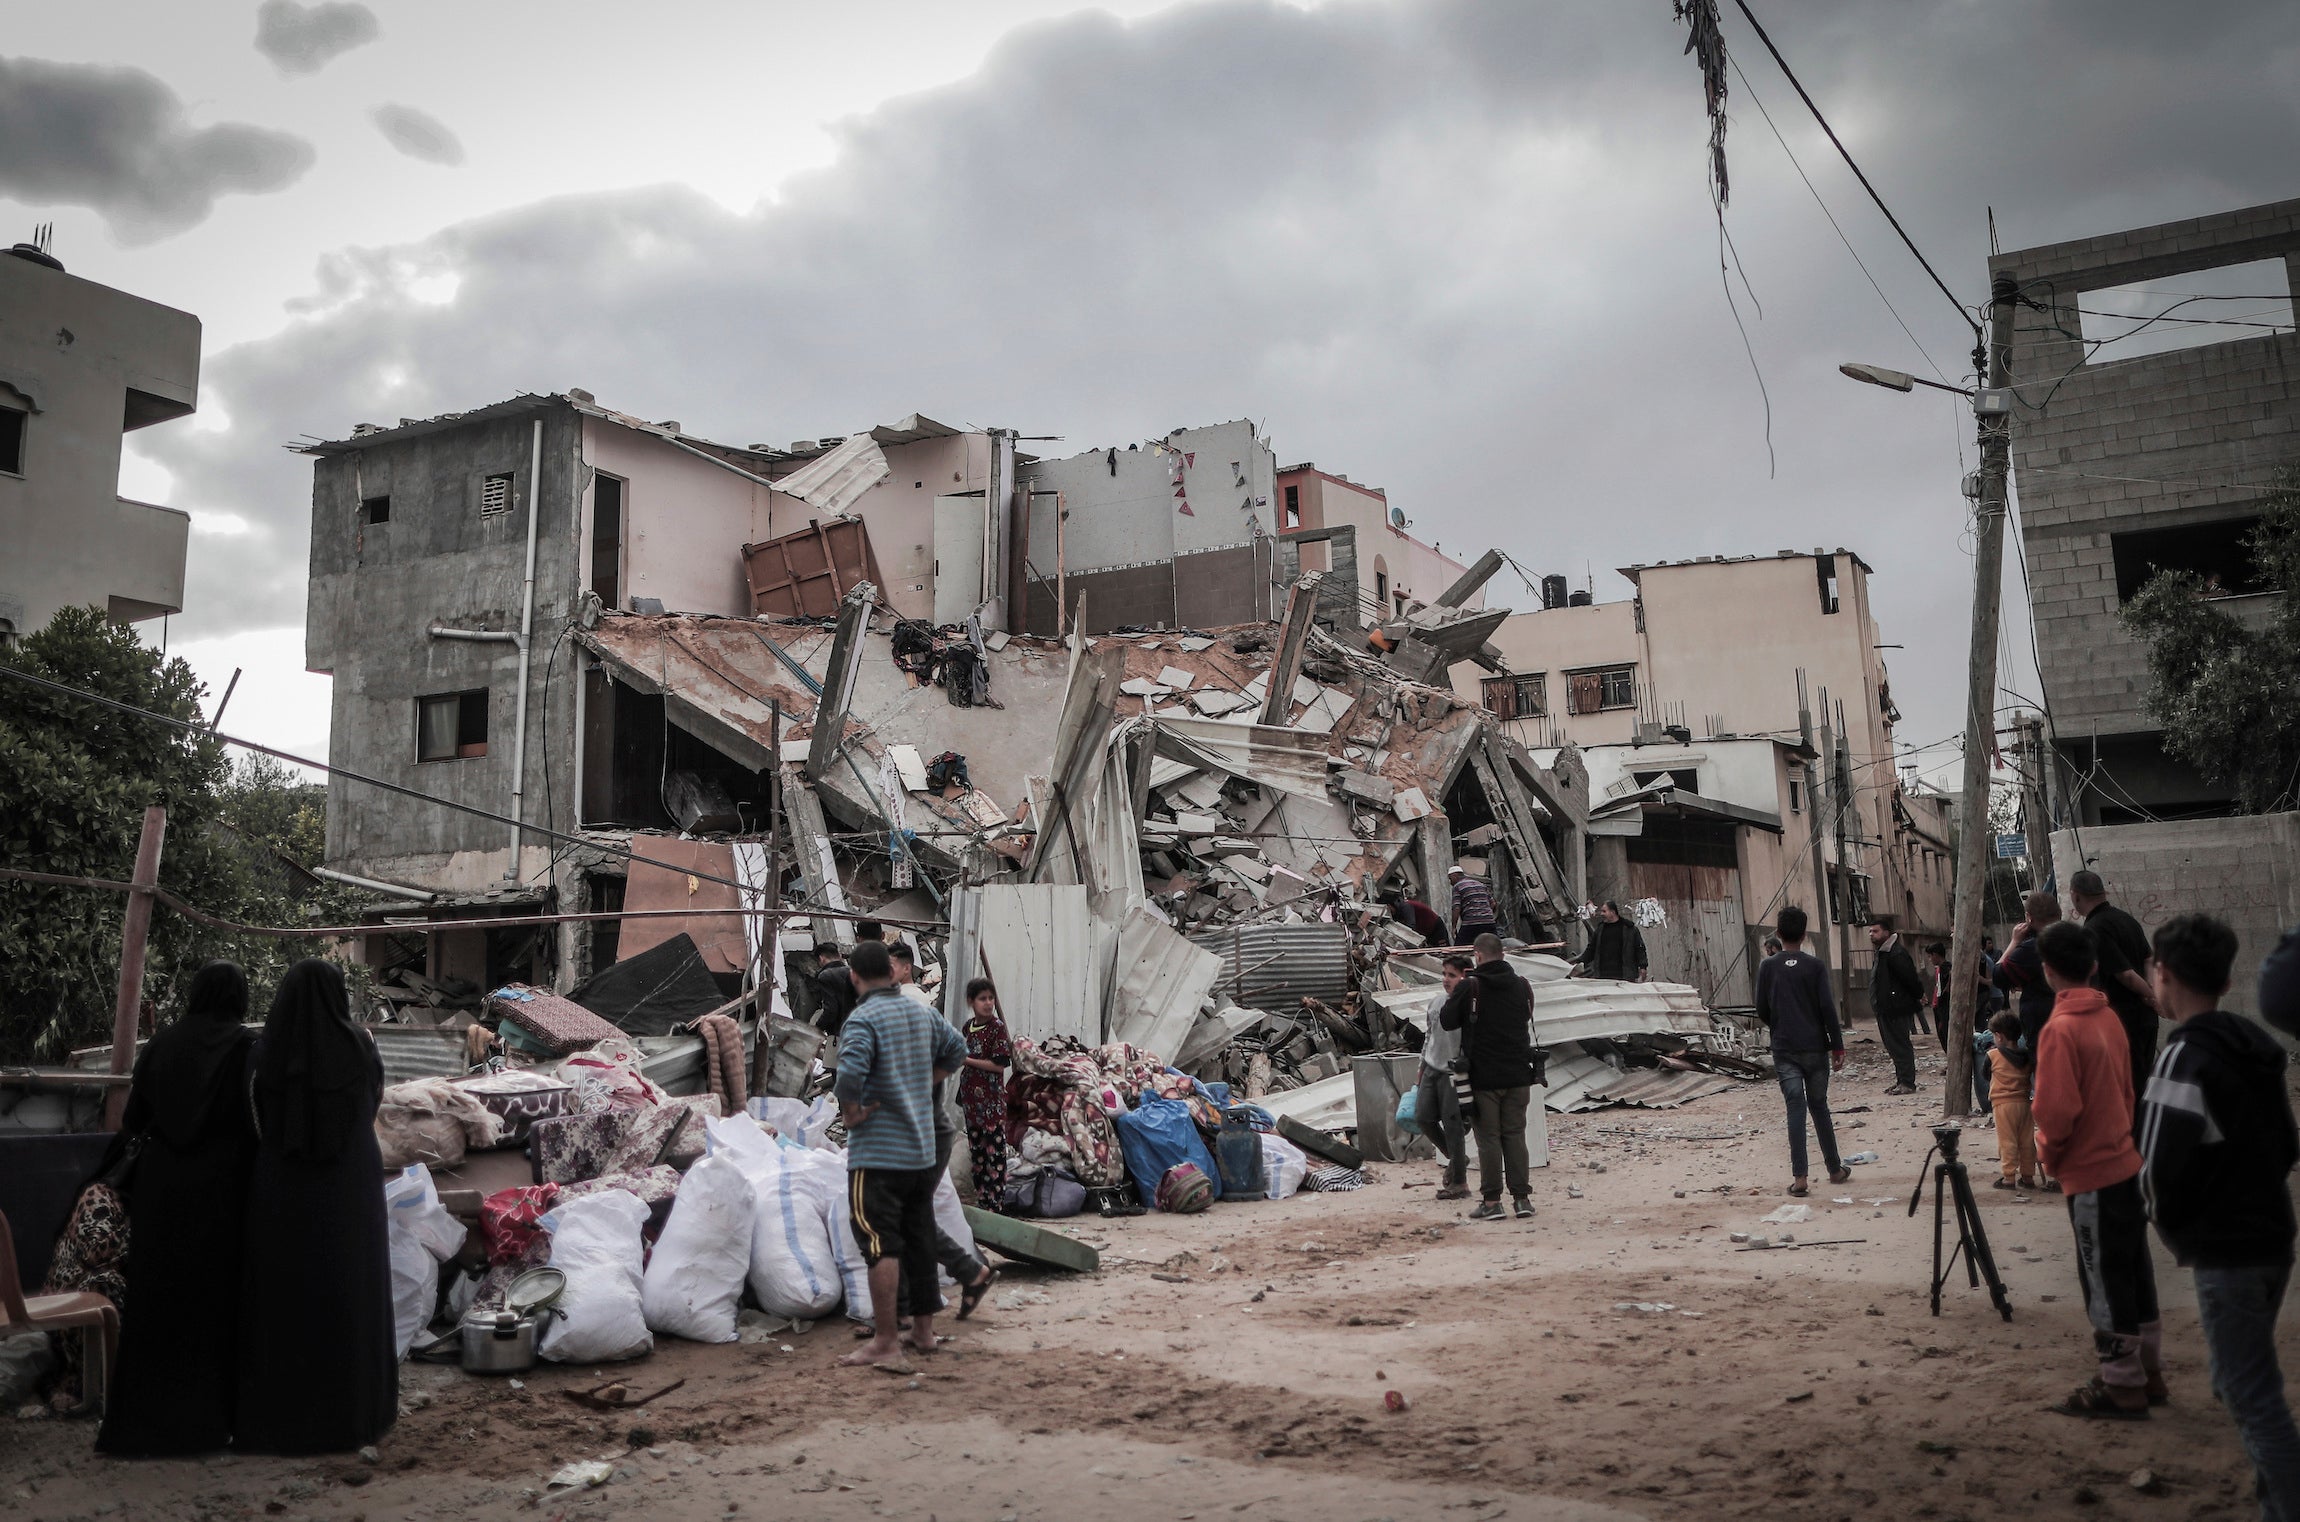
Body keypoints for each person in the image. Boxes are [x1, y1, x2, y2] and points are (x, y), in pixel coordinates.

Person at [2139, 915, 2300, 1512]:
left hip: (2225, 1251)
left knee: (2251, 1395)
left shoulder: (2180, 1059)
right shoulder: (2255, 1046)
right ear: (2228, 980)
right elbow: (2285, 1145)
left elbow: (2154, 1167)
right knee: (2244, 1379)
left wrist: (2179, 1230)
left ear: (2164, 974)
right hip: (2272, 1236)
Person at [97, 962, 260, 1456]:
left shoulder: (162, 1044)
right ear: (238, 997)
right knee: (216, 1304)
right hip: (222, 1190)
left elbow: (134, 1119)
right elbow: (253, 1123)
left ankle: (144, 1425)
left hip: (162, 1189)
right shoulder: (246, 1048)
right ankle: (211, 1423)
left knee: (157, 1301)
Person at [236, 959, 396, 1454]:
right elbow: (371, 1103)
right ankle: (356, 1414)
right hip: (350, 1184)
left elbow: (254, 1116)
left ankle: (281, 1419)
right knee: (352, 1288)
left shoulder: (261, 1052)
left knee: (286, 1295)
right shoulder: (362, 1044)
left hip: (282, 1188)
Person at [2032, 922, 2161, 1420]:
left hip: (2091, 1174)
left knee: (2103, 1280)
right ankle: (2149, 1372)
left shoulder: (2061, 1030)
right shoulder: (2109, 1020)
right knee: (2134, 1270)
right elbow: (2128, 1092)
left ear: (2048, 972)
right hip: (2127, 1161)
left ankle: (2122, 1386)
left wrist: (2049, 1153)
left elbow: (2055, 1112)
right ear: (2093, 967)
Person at [836, 940, 966, 1373]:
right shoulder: (922, 1012)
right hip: (920, 1152)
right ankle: (924, 1333)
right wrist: (923, 1080)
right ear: (893, 974)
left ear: (855, 977)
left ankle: (887, 1341)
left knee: (879, 1244)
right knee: (918, 1236)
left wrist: (853, 1114)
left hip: (877, 1155)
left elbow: (849, 1074)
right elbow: (958, 1049)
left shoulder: (863, 1019)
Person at [1437, 934, 1538, 1221]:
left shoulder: (1471, 986)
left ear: (1477, 955)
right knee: (1516, 1136)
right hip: (1519, 1075)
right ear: (1503, 954)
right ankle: (1522, 1200)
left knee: (1489, 1139)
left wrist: (1457, 992)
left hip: (1483, 1079)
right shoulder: (1522, 985)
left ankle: (1492, 1202)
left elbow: (1447, 1021)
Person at [1756, 907, 1849, 1197]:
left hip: (1785, 1047)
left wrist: (1780, 1025)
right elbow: (1827, 1009)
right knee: (1819, 1105)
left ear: (1779, 934)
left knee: (1795, 1107)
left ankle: (1800, 1179)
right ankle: (1834, 1169)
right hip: (1815, 1048)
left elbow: (1762, 1009)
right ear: (1805, 934)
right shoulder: (1816, 966)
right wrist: (1837, 1045)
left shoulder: (1767, 967)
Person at [2069, 869, 2161, 1119]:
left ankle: (2134, 1149)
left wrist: (2151, 996)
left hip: (2122, 1022)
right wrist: (2151, 992)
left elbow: (2125, 974)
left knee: (2127, 1092)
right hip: (2145, 1019)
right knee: (2142, 1085)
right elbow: (2149, 957)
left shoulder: (2094, 929)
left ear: (2075, 897)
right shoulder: (2126, 919)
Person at [1414, 953, 1475, 1202]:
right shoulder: (1437, 1003)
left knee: (1453, 1126)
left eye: (1452, 975)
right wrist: (1421, 1067)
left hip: (1454, 1072)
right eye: (1444, 974)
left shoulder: (1470, 1006)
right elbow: (1429, 1036)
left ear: (1464, 977)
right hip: (1431, 1067)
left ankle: (1459, 1183)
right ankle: (1456, 1157)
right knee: (1422, 1116)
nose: (1446, 980)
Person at [957, 978, 1014, 1213]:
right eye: (983, 999)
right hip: (972, 1103)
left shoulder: (997, 1028)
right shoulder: (968, 1027)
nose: (988, 1004)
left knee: (995, 1154)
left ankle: (996, 1203)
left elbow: (1000, 1065)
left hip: (990, 1103)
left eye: (991, 998)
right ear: (971, 1002)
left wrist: (967, 1060)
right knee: (978, 1153)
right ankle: (983, 1201)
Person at [1866, 917, 1925, 1096]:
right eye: (1870, 931)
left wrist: (1917, 996)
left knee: (1900, 1045)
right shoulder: (1883, 953)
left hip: (1896, 1008)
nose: (1871, 935)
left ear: (1886, 932)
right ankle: (1901, 1080)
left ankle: (1907, 1082)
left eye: (1875, 931)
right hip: (1885, 1008)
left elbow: (1910, 979)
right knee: (1892, 1046)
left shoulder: (1896, 953)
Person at [1987, 1010, 2038, 1192]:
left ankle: (2009, 1177)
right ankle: (2028, 1176)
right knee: (2026, 1140)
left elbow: (1985, 1075)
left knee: (2007, 1141)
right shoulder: (2026, 1057)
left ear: (1999, 1036)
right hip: (2024, 1103)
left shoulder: (1993, 1056)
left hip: (2002, 1104)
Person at [1570, 901, 1649, 982]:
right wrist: (1580, 962)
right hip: (1603, 976)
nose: (1601, 914)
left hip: (1624, 976)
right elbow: (1591, 949)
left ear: (1613, 912)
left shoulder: (1630, 929)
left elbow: (1640, 949)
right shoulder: (1600, 930)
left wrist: (1643, 966)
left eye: (1604, 911)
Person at [812, 941, 858, 1040]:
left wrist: (817, 1028)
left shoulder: (825, 976)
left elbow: (831, 1009)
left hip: (840, 1035)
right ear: (839, 956)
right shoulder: (853, 972)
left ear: (821, 958)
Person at [1447, 864, 1498, 946]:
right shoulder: (1480, 884)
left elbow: (1456, 908)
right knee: (1493, 947)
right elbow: (1493, 903)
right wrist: (1484, 914)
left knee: (1460, 949)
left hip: (1471, 923)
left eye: (1450, 879)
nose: (1450, 882)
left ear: (1455, 876)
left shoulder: (1457, 886)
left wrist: (1453, 927)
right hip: (1489, 922)